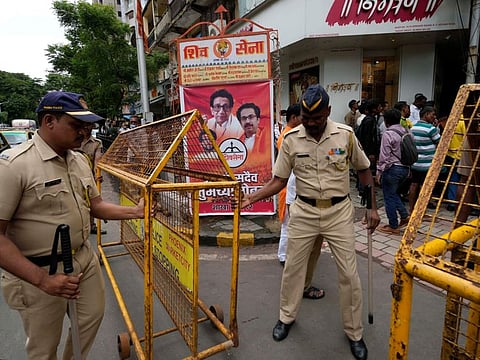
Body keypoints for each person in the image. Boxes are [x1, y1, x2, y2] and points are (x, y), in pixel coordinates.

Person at [0, 91, 145, 359]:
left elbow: (96, 206)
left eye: (88, 126)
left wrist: (136, 212)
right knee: (44, 347)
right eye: (77, 126)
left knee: (89, 320)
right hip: (38, 270)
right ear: (49, 121)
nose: (85, 133)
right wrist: (43, 280)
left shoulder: (79, 159)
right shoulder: (14, 166)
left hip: (82, 260)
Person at [241, 84, 380, 360]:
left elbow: (364, 169)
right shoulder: (292, 139)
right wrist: (252, 198)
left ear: (327, 111)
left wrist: (372, 209)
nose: (311, 124)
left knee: (349, 275)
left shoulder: (345, 136)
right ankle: (286, 317)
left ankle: (354, 332)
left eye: (316, 119)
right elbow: (279, 180)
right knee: (293, 268)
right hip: (304, 211)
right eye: (306, 119)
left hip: (339, 212)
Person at [376, 109, 410, 235]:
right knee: (393, 193)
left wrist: (379, 172)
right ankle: (404, 215)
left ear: (386, 120)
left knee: (388, 196)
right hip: (405, 168)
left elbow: (384, 155)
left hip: (392, 169)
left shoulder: (388, 134)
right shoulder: (406, 131)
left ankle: (393, 225)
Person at [74, 123, 106, 235]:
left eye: (89, 126)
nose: (86, 128)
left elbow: (98, 160)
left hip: (89, 176)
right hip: (73, 174)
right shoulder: (73, 140)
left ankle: (92, 225)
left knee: (92, 200)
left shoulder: (96, 143)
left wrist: (97, 174)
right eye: (85, 126)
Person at [408, 106, 441, 213]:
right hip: (427, 164)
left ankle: (412, 210)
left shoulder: (412, 128)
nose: (434, 117)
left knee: (413, 185)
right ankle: (421, 212)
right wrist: (436, 128)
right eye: (432, 115)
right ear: (426, 114)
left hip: (415, 163)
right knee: (425, 187)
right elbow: (440, 143)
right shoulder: (431, 129)